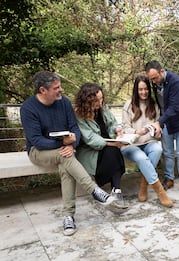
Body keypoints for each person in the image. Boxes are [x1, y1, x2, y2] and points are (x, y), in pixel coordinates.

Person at [20, 71, 121, 236]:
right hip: (39, 151)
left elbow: (74, 128)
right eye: (56, 88)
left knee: (66, 163)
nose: (61, 90)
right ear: (42, 90)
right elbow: (36, 140)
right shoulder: (28, 108)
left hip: (65, 150)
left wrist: (73, 144)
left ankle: (68, 216)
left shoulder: (64, 103)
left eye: (60, 86)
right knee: (64, 155)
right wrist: (63, 143)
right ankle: (95, 191)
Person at [145, 60, 179, 196]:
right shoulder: (155, 83)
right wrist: (160, 122)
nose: (153, 82)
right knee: (167, 153)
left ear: (162, 71)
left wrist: (158, 122)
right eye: (151, 79)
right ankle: (169, 179)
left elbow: (174, 107)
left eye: (155, 78)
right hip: (166, 122)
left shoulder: (175, 81)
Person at [121, 76, 173, 207]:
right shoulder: (129, 105)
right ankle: (160, 192)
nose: (143, 92)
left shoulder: (153, 105)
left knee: (157, 149)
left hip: (149, 142)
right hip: (131, 144)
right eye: (140, 89)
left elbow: (158, 124)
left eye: (145, 89)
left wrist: (157, 130)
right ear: (135, 90)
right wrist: (137, 132)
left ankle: (144, 185)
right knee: (142, 157)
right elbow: (124, 128)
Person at [74, 83, 128, 208]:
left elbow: (112, 123)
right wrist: (111, 143)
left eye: (101, 98)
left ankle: (116, 190)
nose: (100, 102)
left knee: (114, 151)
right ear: (87, 100)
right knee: (114, 151)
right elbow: (90, 139)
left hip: (108, 146)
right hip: (89, 150)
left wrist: (117, 130)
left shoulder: (103, 108)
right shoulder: (79, 115)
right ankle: (116, 190)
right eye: (97, 100)